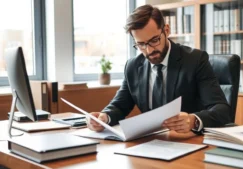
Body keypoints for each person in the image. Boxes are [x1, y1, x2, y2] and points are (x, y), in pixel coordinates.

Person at [87, 4, 231, 134]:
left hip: (189, 141)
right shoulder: (132, 66)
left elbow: (222, 110)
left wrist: (194, 120)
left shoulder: (195, 60)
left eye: (154, 40)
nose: (149, 50)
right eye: (141, 44)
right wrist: (103, 117)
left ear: (166, 31)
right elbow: (119, 106)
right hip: (151, 143)